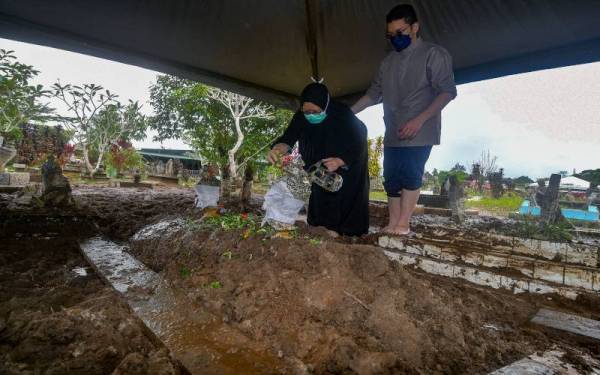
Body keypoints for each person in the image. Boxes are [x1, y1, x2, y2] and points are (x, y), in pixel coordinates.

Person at [351, 4, 457, 235]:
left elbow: (447, 91)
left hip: (420, 131)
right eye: (391, 35)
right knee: (391, 178)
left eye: (401, 32)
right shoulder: (387, 62)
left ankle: (403, 224)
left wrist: (420, 120)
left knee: (410, 174)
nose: (395, 38)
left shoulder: (434, 54)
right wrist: (347, 113)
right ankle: (393, 223)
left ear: (415, 27)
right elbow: (372, 94)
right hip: (393, 131)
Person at [268, 83, 369, 237]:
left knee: (343, 196)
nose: (310, 115)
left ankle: (345, 233)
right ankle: (321, 228)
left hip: (346, 163)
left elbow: (359, 140)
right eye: (306, 111)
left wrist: (340, 160)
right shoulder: (301, 116)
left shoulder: (342, 114)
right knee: (320, 194)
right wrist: (277, 149)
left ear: (325, 105)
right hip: (318, 165)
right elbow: (288, 138)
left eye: (315, 111)